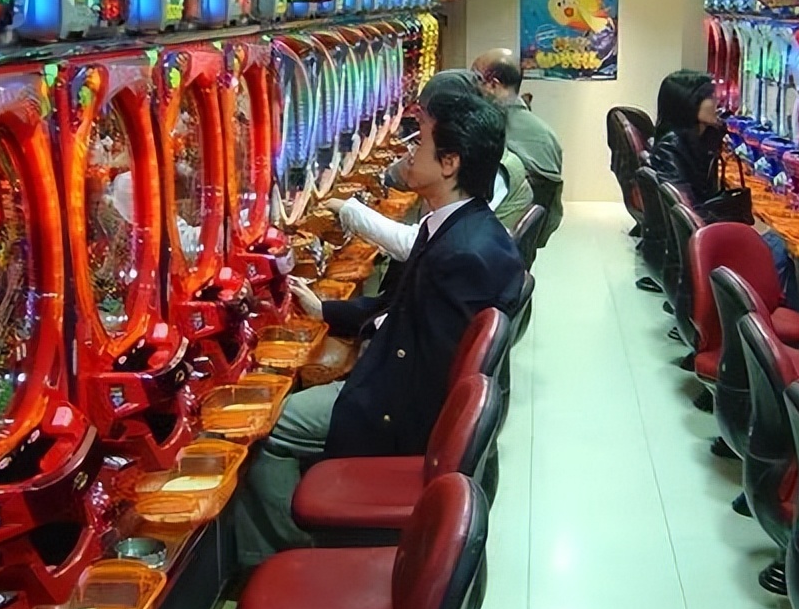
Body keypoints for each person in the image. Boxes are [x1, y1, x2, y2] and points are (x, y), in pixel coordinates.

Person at [234, 91, 527, 567]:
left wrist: (347, 379)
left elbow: (422, 376)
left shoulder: (464, 254)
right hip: (394, 381)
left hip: (400, 414)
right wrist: (326, 309)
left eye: (421, 141)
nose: (409, 150)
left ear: (450, 162)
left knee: (266, 426)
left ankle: (294, 558)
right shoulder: (460, 227)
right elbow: (403, 309)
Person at [649, 69, 798, 307]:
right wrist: (739, 228)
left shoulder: (700, 139)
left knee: (774, 239)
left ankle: (768, 311)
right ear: (689, 104)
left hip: (703, 226)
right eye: (710, 97)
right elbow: (689, 212)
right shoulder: (671, 148)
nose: (717, 102)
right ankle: (770, 314)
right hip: (699, 237)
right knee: (776, 246)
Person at [359, 70, 534, 252]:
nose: (414, 150)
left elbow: (422, 245)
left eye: (422, 140)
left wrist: (350, 211)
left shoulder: (494, 172)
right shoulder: (472, 155)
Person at [472, 48, 564, 245]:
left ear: (493, 85)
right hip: (520, 242)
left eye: (475, 78)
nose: (470, 87)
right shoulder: (547, 135)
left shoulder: (489, 133)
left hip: (486, 243)